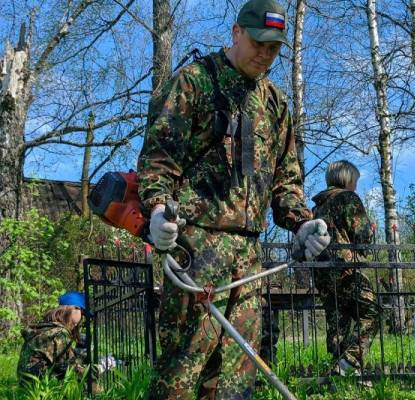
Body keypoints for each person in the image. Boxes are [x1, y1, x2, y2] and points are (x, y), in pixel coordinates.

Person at [136, 0, 330, 398]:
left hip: (248, 255)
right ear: (236, 33)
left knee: (238, 377)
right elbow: (158, 160)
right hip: (196, 246)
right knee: (183, 370)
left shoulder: (275, 103)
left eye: (274, 48)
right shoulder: (194, 82)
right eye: (259, 43)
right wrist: (157, 209)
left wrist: (302, 221)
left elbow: (286, 181)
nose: (265, 54)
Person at [312, 160, 381, 376]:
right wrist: (370, 232)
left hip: (322, 272)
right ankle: (349, 362)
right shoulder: (348, 198)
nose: (356, 186)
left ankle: (338, 376)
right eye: (355, 181)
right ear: (347, 179)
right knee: (372, 312)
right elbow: (363, 236)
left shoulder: (317, 207)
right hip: (344, 269)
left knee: (338, 322)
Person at [17, 291, 87, 383]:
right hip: (41, 389)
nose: (82, 318)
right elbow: (73, 370)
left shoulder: (47, 329)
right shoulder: (60, 333)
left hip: (27, 387)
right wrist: (101, 367)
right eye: (82, 313)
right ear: (75, 308)